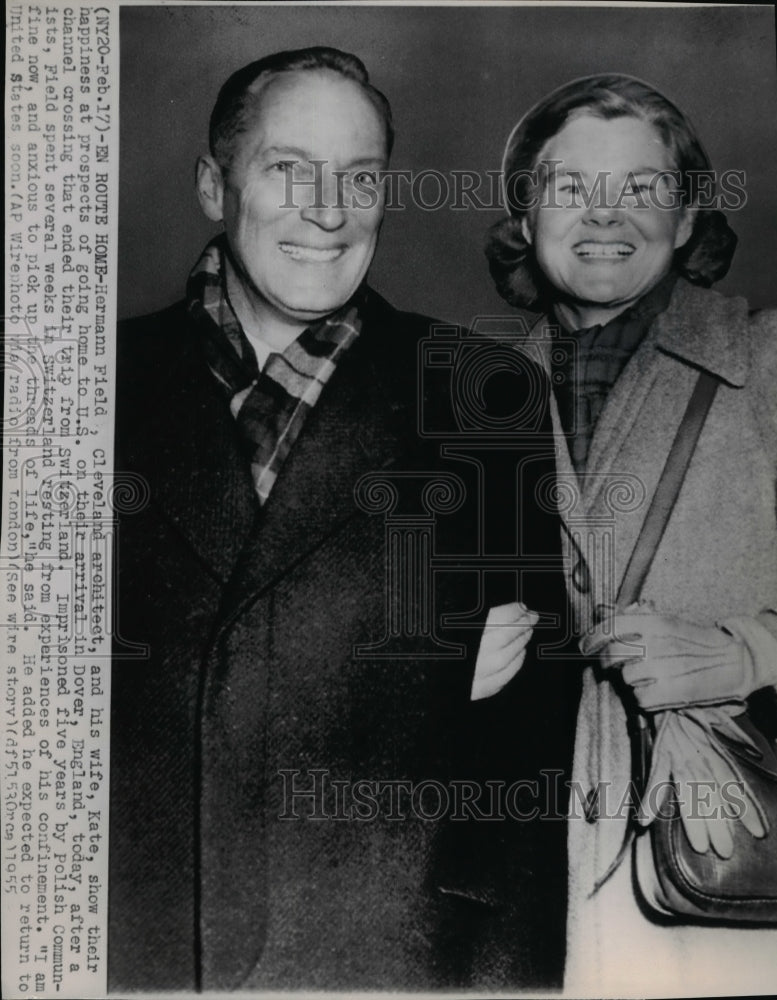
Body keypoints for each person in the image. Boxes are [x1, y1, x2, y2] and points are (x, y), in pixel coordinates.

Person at [110, 46, 574, 992]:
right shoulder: (88, 385)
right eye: (288, 169)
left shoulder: (484, 395)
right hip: (139, 949)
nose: (330, 209)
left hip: (389, 955)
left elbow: (520, 765)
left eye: (360, 177)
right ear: (213, 185)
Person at [481, 74, 777, 996]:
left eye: (643, 187)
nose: (604, 214)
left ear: (689, 218)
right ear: (525, 220)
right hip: (521, 876)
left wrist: (748, 653)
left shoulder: (769, 362)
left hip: (731, 864)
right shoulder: (473, 389)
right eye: (570, 187)